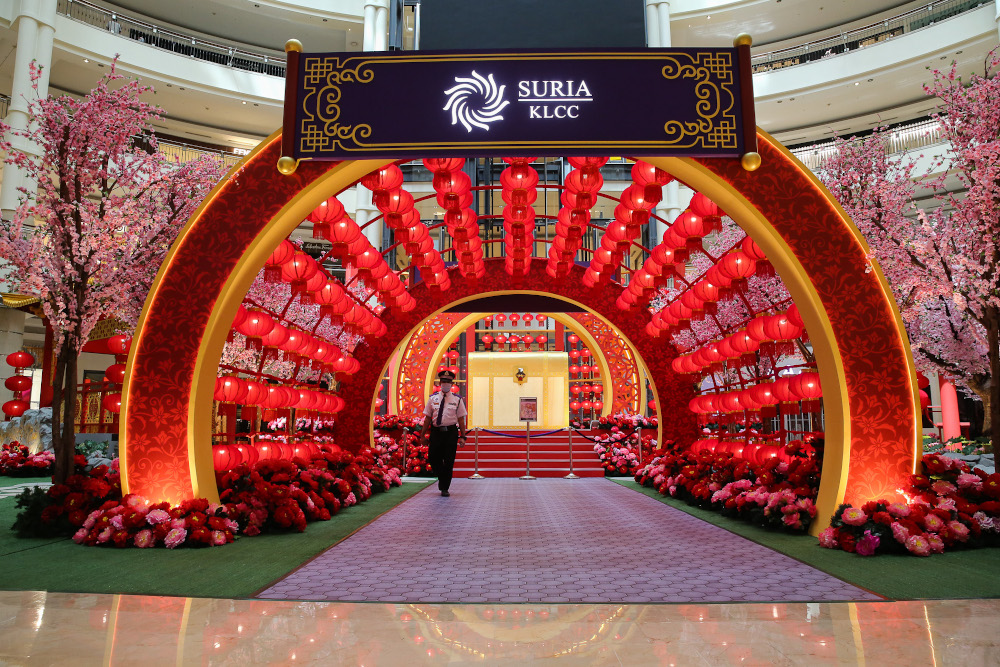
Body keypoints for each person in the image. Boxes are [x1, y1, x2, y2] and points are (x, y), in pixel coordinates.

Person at [420, 370, 468, 496]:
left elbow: (461, 419)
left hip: (451, 433)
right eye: (443, 381)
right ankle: (442, 476)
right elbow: (428, 418)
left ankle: (444, 487)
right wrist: (422, 435)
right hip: (436, 433)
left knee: (449, 461)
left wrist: (463, 436)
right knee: (433, 458)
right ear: (439, 382)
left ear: (452, 383)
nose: (445, 384)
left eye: (448, 382)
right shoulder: (433, 398)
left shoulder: (457, 400)